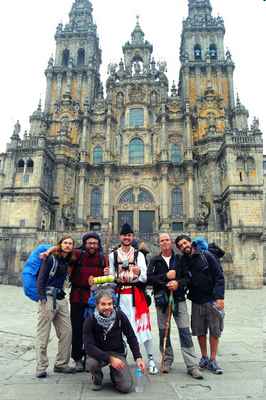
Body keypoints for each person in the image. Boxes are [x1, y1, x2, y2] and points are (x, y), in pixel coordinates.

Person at [40, 232, 108, 372]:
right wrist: (47, 251)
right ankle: (77, 358)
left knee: (95, 329)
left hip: (95, 298)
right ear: (85, 243)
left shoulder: (103, 258)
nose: (92, 245)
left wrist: (105, 275)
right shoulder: (77, 254)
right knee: (76, 329)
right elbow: (61, 248)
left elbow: (107, 277)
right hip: (77, 296)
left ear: (98, 244)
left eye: (95, 243)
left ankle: (92, 357)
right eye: (89, 243)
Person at [147, 233, 203, 379]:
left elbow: (187, 278)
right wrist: (166, 278)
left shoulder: (180, 259)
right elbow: (149, 278)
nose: (164, 242)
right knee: (163, 331)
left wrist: (177, 283)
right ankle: (166, 360)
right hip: (162, 301)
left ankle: (192, 365)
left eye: (166, 240)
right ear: (158, 243)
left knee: (184, 331)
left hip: (178, 298)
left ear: (171, 242)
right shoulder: (155, 260)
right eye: (161, 241)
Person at [109, 223, 158, 375]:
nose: (127, 237)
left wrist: (138, 272)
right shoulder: (113, 255)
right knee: (120, 328)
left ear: (132, 237)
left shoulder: (139, 255)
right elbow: (111, 278)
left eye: (129, 235)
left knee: (144, 328)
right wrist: (109, 274)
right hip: (119, 296)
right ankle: (121, 358)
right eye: (124, 235)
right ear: (120, 237)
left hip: (136, 296)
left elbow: (144, 278)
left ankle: (150, 359)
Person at [175, 234, 225, 374]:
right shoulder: (183, 261)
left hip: (211, 299)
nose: (184, 246)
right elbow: (183, 278)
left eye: (185, 243)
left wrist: (220, 297)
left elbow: (219, 276)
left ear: (190, 242)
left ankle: (213, 359)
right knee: (200, 331)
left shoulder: (206, 255)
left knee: (214, 330)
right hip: (196, 300)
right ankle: (204, 357)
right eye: (180, 246)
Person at [84, 289, 146, 392]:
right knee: (91, 363)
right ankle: (97, 378)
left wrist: (138, 357)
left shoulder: (120, 316)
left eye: (110, 304)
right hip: (98, 353)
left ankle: (115, 375)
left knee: (125, 387)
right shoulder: (90, 320)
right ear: (97, 305)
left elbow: (131, 336)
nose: (107, 307)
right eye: (103, 304)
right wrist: (110, 359)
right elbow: (88, 346)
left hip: (117, 352)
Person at [36, 235, 76, 378]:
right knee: (43, 334)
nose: (68, 245)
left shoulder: (69, 260)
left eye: (70, 243)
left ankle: (61, 364)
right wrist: (41, 297)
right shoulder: (50, 258)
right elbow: (41, 277)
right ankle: (41, 367)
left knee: (67, 332)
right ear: (60, 244)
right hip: (48, 297)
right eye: (65, 243)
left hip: (61, 298)